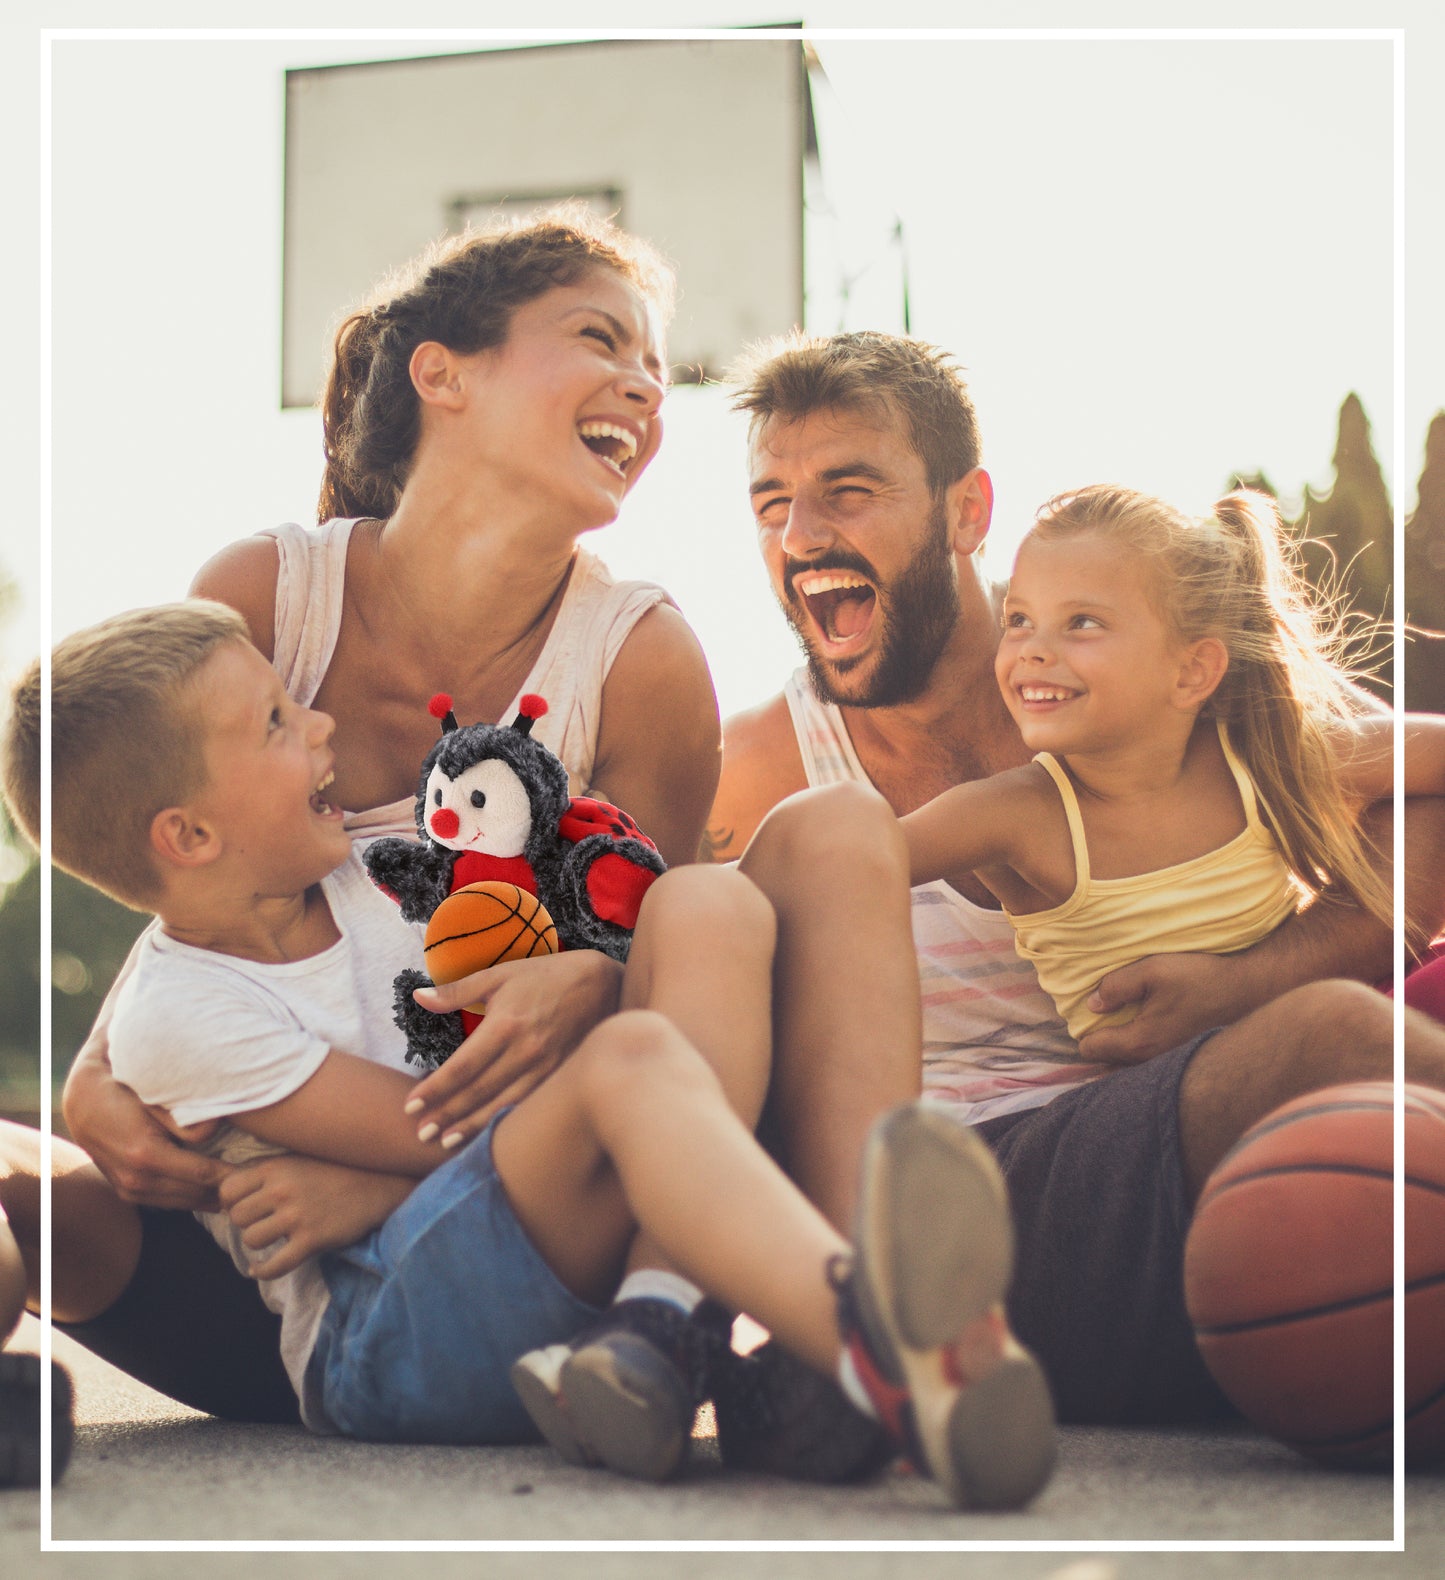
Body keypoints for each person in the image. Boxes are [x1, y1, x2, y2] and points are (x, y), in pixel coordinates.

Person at [1, 599, 1057, 1510]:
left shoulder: (380, 872)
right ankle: (879, 1342)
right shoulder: (175, 1012)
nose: (318, 723)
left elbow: (592, 956)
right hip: (385, 1334)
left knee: (705, 903)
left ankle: (665, 1321)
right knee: (632, 1062)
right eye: (276, 722)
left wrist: (594, 974)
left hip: (499, 1238)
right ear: (186, 836)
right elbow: (437, 1125)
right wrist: (382, 1192)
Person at [4, 209, 721, 1425]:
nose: (643, 385)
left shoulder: (637, 660)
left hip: (472, 1232)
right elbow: (192, 879)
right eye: (601, 339)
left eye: (655, 364)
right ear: (439, 373)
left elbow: (663, 975)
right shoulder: (267, 596)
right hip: (240, 1254)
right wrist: (91, 1082)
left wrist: (373, 1185)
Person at [706, 330, 1445, 1425]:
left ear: (966, 511)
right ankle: (890, 1341)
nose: (800, 534)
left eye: (845, 491)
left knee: (1350, 1078)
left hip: (1188, 1142)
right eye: (771, 502)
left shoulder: (1132, 673)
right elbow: (674, 957)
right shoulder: (760, 765)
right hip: (969, 1201)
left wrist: (1244, 980)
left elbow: (1407, 781)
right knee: (1336, 1041)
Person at [901, 482, 1445, 1041]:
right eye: (1017, 619)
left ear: (1192, 672)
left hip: (1332, 1024)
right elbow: (853, 860)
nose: (1032, 649)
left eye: (1082, 622)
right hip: (1186, 1090)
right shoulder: (1008, 814)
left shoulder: (1257, 762)